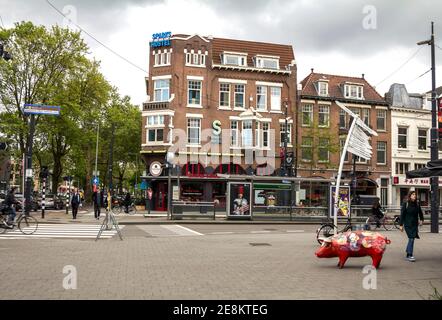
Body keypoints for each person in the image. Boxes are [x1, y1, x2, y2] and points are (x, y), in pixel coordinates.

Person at [400, 190, 424, 262]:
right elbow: (402, 215)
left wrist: (421, 220)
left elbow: (420, 213)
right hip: (408, 224)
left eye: (415, 194)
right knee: (411, 238)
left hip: (414, 224)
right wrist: (401, 225)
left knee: (412, 239)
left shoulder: (417, 204)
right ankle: (410, 255)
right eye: (413, 194)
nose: (414, 196)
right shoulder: (406, 204)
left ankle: (408, 254)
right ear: (410, 196)